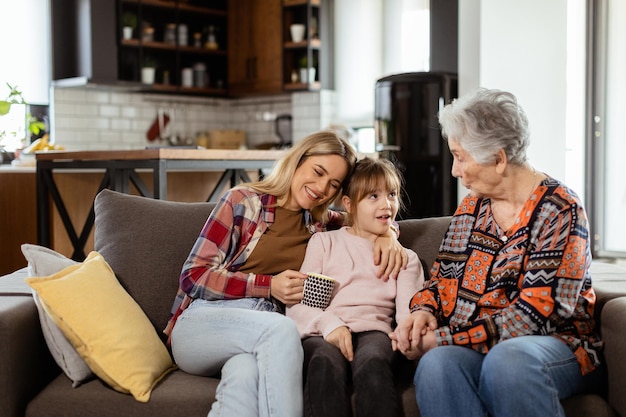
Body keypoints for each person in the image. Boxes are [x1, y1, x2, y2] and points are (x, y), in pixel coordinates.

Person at [390, 88, 604, 417]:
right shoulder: (471, 209)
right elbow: (441, 280)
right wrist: (423, 312)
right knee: (436, 365)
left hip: (555, 347)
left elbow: (535, 317)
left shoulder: (560, 209)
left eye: (460, 157)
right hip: (474, 345)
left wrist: (444, 338)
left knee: (508, 361)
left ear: (499, 158)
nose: (454, 171)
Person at [163, 131, 409, 417]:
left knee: (243, 383)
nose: (321, 188)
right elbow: (193, 275)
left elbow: (366, 218)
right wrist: (268, 286)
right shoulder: (243, 201)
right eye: (317, 172)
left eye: (333, 184)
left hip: (253, 339)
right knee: (283, 329)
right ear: (297, 160)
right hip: (204, 325)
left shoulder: (320, 224)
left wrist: (389, 234)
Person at [287, 157, 424, 417]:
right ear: (348, 204)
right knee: (323, 362)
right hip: (326, 332)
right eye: (373, 196)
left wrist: (408, 337)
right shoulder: (324, 243)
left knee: (373, 362)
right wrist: (330, 326)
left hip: (376, 332)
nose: (386, 204)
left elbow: (409, 313)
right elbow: (303, 306)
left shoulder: (404, 257)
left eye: (392, 194)